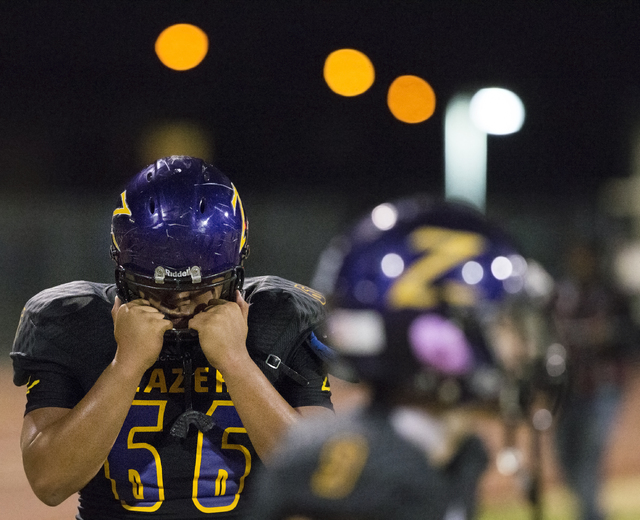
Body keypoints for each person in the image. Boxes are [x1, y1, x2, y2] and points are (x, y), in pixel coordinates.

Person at [10, 155, 334, 519]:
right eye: (156, 290)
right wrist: (124, 366)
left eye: (200, 290)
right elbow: (49, 482)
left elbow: (323, 479)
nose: (180, 304)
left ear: (237, 269)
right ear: (121, 273)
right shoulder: (72, 320)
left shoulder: (281, 316)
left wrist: (237, 363)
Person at [244, 196, 553, 520]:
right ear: (438, 339)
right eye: (504, 325)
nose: (524, 349)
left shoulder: (452, 451)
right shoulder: (354, 479)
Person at [551, 240, 639, 520]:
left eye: (585, 258)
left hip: (602, 390)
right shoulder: (559, 295)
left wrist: (609, 334)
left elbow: (630, 338)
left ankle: (591, 516)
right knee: (565, 459)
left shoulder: (613, 296)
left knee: (588, 461)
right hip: (566, 392)